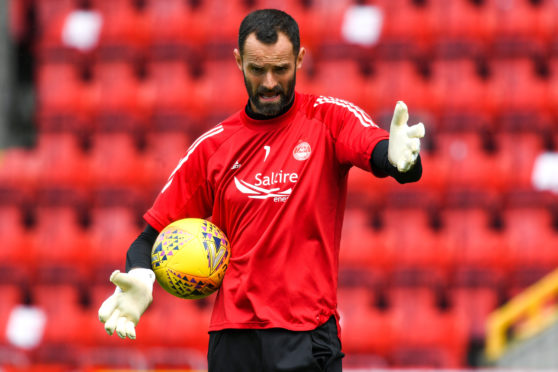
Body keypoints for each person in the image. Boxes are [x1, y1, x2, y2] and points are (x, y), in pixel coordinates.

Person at [98, 8, 425, 372]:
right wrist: (142, 276)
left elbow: (382, 152)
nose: (269, 82)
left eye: (281, 69)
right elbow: (148, 238)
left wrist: (400, 161)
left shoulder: (328, 119)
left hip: (306, 336)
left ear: (300, 59)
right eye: (257, 69)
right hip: (232, 341)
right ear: (239, 62)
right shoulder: (214, 147)